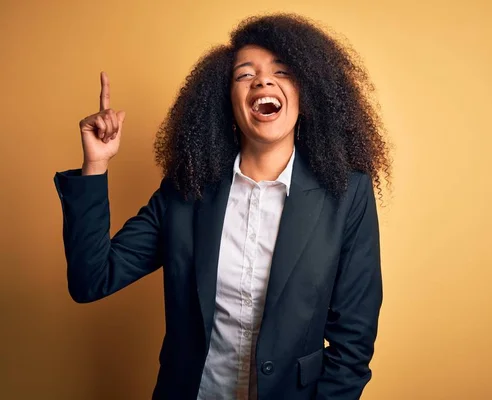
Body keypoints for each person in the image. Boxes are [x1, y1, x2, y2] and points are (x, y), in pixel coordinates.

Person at [54, 13, 390, 400]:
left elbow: (353, 344)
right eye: (245, 75)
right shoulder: (186, 193)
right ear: (227, 103)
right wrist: (95, 165)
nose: (263, 80)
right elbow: (90, 280)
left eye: (281, 72)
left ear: (306, 94)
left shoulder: (347, 194)